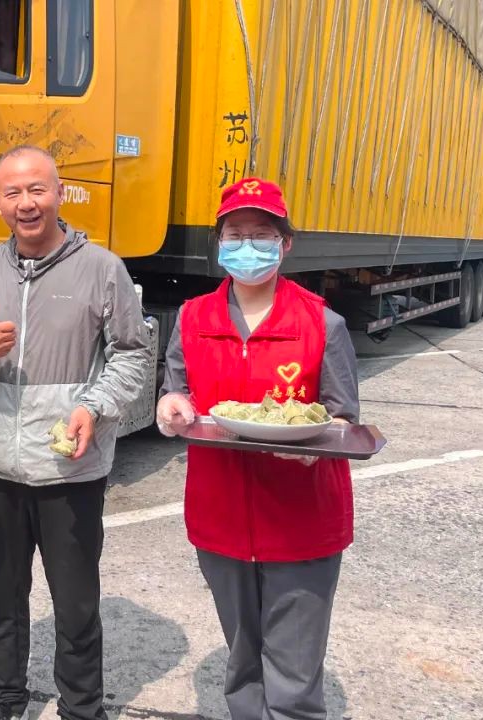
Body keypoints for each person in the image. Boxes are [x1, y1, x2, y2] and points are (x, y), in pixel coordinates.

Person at [0, 146, 150, 720]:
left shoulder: (101, 268)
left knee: (75, 605)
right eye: (13, 193)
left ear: (59, 193)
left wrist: (95, 407)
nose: (26, 204)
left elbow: (132, 354)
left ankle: (82, 707)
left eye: (37, 190)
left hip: (69, 467)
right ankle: (3, 698)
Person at [155, 177, 360, 720]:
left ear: (284, 244)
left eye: (262, 234)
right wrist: (170, 406)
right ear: (219, 243)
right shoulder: (192, 318)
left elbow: (344, 418)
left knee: (293, 680)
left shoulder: (321, 322)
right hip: (219, 517)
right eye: (235, 234)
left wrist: (316, 445)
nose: (248, 245)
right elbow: (178, 391)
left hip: (301, 523)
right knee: (243, 664)